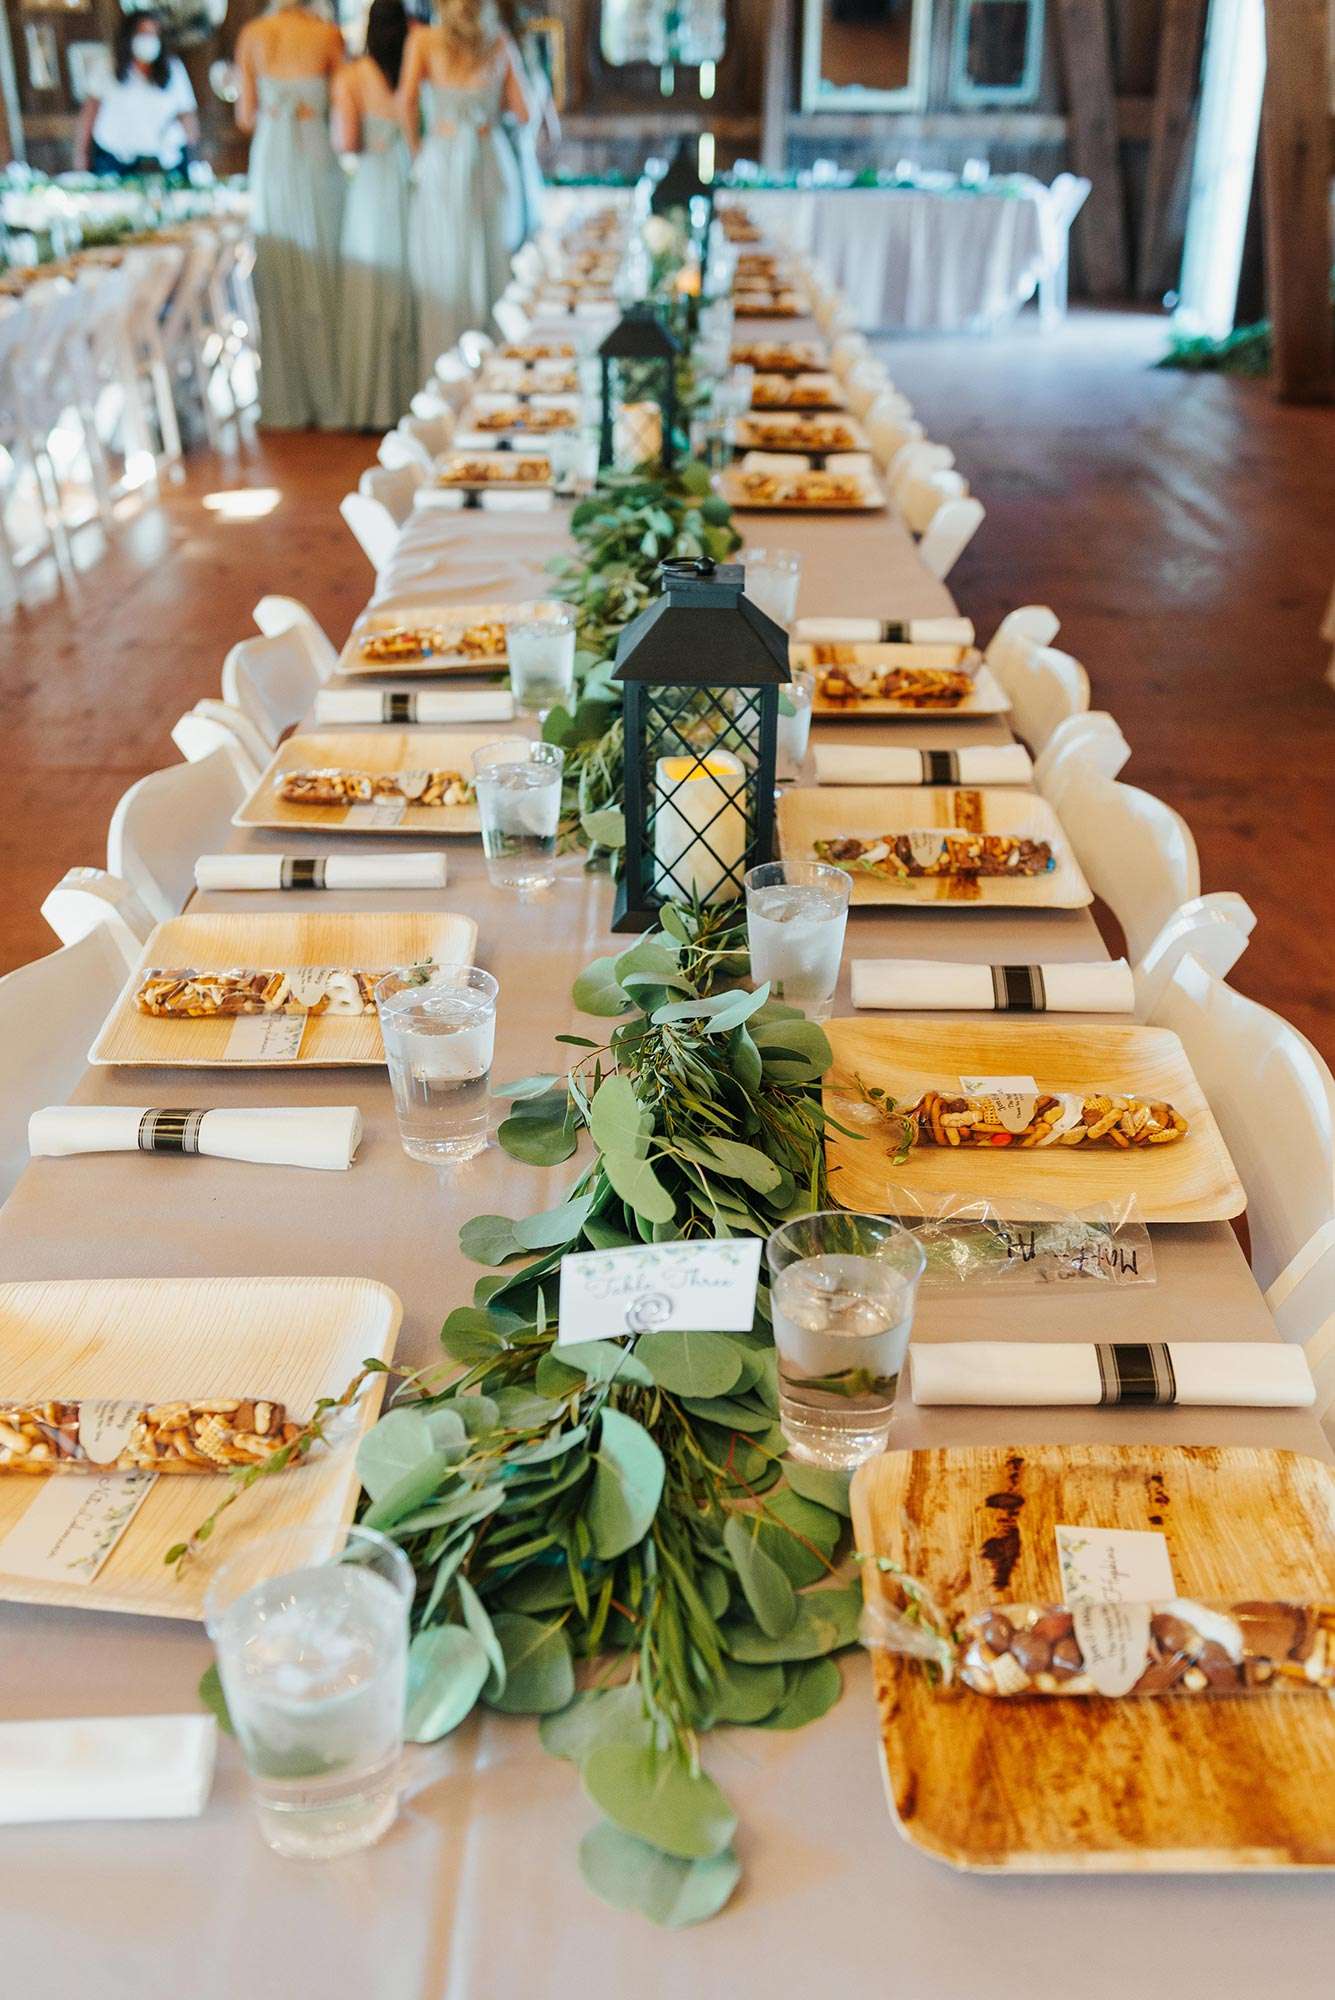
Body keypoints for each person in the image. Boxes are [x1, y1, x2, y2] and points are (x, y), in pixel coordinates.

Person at [399, 0, 529, 375]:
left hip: (441, 160)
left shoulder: (422, 41)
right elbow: (525, 112)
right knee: (494, 265)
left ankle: (447, 377)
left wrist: (419, 153)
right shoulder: (499, 41)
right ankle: (501, 373)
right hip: (490, 158)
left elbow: (406, 103)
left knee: (444, 269)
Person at [234, 0, 346, 429]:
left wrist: (277, 110)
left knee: (279, 270)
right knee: (326, 265)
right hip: (316, 157)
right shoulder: (328, 35)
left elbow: (245, 117)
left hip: (273, 163)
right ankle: (334, 393)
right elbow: (343, 109)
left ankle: (288, 397)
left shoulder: (252, 36)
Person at [333, 0, 416, 428]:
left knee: (370, 289)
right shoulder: (417, 68)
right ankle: (414, 398)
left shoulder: (351, 77)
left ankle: (371, 406)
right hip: (412, 183)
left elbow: (347, 142)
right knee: (412, 285)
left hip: (371, 188)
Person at [74, 11, 199, 180]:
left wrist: (193, 157)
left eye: (153, 33)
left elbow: (187, 114)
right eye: (143, 33)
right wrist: (81, 154)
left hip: (164, 158)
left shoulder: (173, 69)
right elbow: (89, 112)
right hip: (116, 157)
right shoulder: (106, 66)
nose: (148, 39)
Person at [495, 0, 558, 247]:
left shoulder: (504, 54)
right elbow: (551, 130)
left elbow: (526, 115)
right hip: (522, 157)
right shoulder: (533, 58)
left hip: (509, 158)